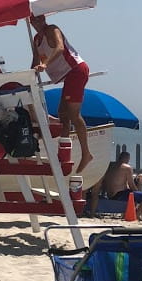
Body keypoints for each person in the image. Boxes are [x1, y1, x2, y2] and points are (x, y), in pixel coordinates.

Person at [30, 14, 92, 174]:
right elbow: (35, 62)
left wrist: (45, 64)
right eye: (35, 19)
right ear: (31, 22)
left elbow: (60, 48)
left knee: (73, 114)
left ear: (44, 18)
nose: (38, 22)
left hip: (76, 70)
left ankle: (86, 153)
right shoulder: (36, 40)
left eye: (40, 18)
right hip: (67, 76)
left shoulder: (52, 29)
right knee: (62, 114)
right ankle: (63, 152)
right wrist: (28, 78)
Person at [102, 152, 142, 219]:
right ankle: (135, 216)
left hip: (110, 195)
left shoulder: (109, 165)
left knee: (138, 195)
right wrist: (138, 193)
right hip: (120, 195)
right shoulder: (127, 167)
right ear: (127, 158)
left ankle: (135, 215)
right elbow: (132, 186)